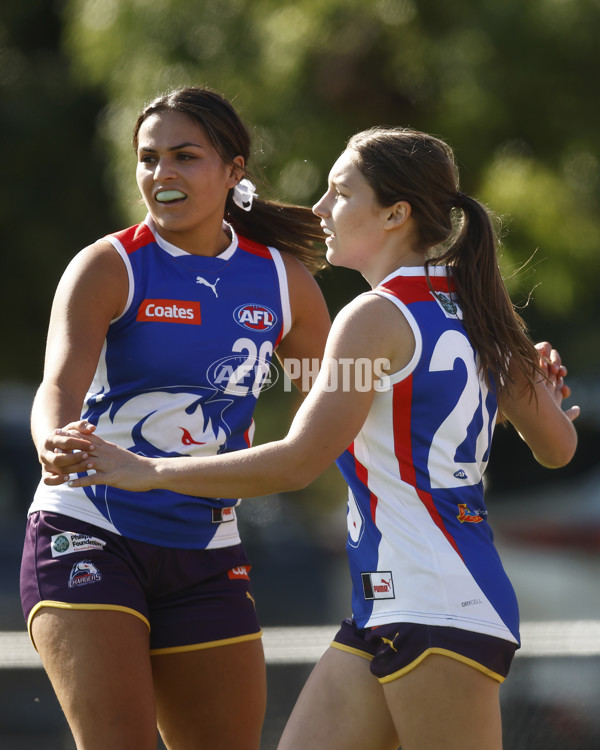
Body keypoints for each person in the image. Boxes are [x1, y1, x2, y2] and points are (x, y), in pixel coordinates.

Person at [54, 127, 579, 750]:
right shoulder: (483, 308)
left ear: (395, 213)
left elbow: (298, 461)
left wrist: (149, 470)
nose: (321, 209)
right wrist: (540, 390)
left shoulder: (374, 316)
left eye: (338, 192)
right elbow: (558, 447)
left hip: (438, 598)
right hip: (384, 603)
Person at [20, 86, 331, 750]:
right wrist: (52, 440)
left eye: (185, 157)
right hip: (88, 530)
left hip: (206, 551)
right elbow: (57, 387)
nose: (162, 174)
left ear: (234, 170)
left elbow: (339, 402)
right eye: (149, 158)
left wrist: (497, 371)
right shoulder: (109, 266)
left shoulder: (285, 284)